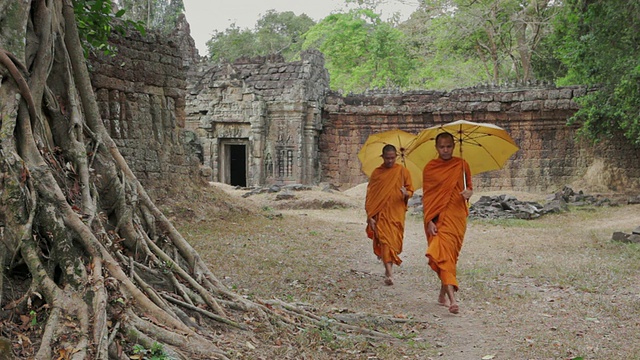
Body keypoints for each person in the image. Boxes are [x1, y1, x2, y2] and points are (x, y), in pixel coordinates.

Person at [422, 132, 473, 314]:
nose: (445, 150)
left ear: (453, 146)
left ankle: (442, 294)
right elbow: (428, 198)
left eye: (449, 146)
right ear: (436, 148)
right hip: (439, 220)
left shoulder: (462, 164)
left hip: (457, 217)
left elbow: (469, 187)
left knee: (450, 257)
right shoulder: (430, 168)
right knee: (442, 254)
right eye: (442, 147)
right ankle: (452, 300)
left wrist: (469, 193)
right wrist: (429, 221)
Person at [365, 144, 414, 286]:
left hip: (396, 213)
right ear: (383, 157)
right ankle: (390, 274)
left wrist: (407, 193)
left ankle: (388, 267)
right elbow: (371, 195)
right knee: (385, 241)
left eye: (392, 158)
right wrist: (370, 216)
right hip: (380, 213)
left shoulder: (403, 172)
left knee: (393, 243)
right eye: (387, 158)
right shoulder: (377, 173)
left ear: (396, 157)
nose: (390, 161)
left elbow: (411, 190)